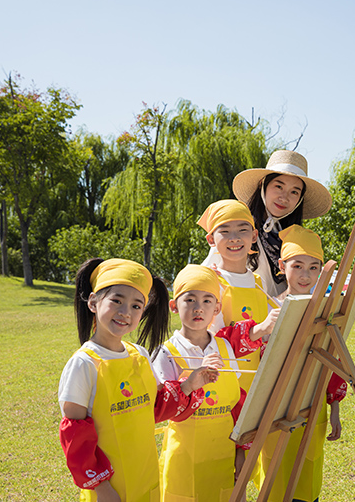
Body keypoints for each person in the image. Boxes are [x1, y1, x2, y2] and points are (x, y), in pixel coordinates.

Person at [58, 258, 218, 502]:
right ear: (93, 302)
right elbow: (75, 437)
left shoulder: (140, 355)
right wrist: (102, 489)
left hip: (147, 478)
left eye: (136, 306)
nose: (125, 312)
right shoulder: (84, 363)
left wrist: (189, 385)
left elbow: (154, 408)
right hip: (110, 489)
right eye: (117, 300)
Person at [260, 225, 346, 502]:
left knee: (307, 480)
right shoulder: (269, 309)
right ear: (281, 265)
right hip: (274, 408)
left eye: (313, 267)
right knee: (275, 478)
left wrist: (333, 406)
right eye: (297, 266)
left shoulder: (325, 311)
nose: (305, 275)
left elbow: (332, 361)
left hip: (313, 407)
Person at [152, 264, 245, 502]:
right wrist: (189, 384)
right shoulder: (167, 353)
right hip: (185, 459)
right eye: (190, 299)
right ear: (174, 306)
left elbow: (236, 402)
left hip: (222, 455)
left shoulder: (224, 347)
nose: (198, 308)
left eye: (207, 301)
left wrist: (241, 449)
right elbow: (162, 410)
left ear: (217, 308)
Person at [204, 150, 333, 297]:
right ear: (262, 185)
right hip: (241, 315)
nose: (284, 197)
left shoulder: (295, 237)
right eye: (279, 186)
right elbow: (206, 280)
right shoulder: (239, 230)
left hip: (283, 314)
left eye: (294, 192)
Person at [197, 199, 280, 393]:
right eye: (224, 231)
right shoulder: (211, 282)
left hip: (257, 380)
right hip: (223, 384)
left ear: (254, 236)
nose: (234, 238)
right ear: (211, 240)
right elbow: (207, 339)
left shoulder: (258, 281)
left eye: (242, 230)